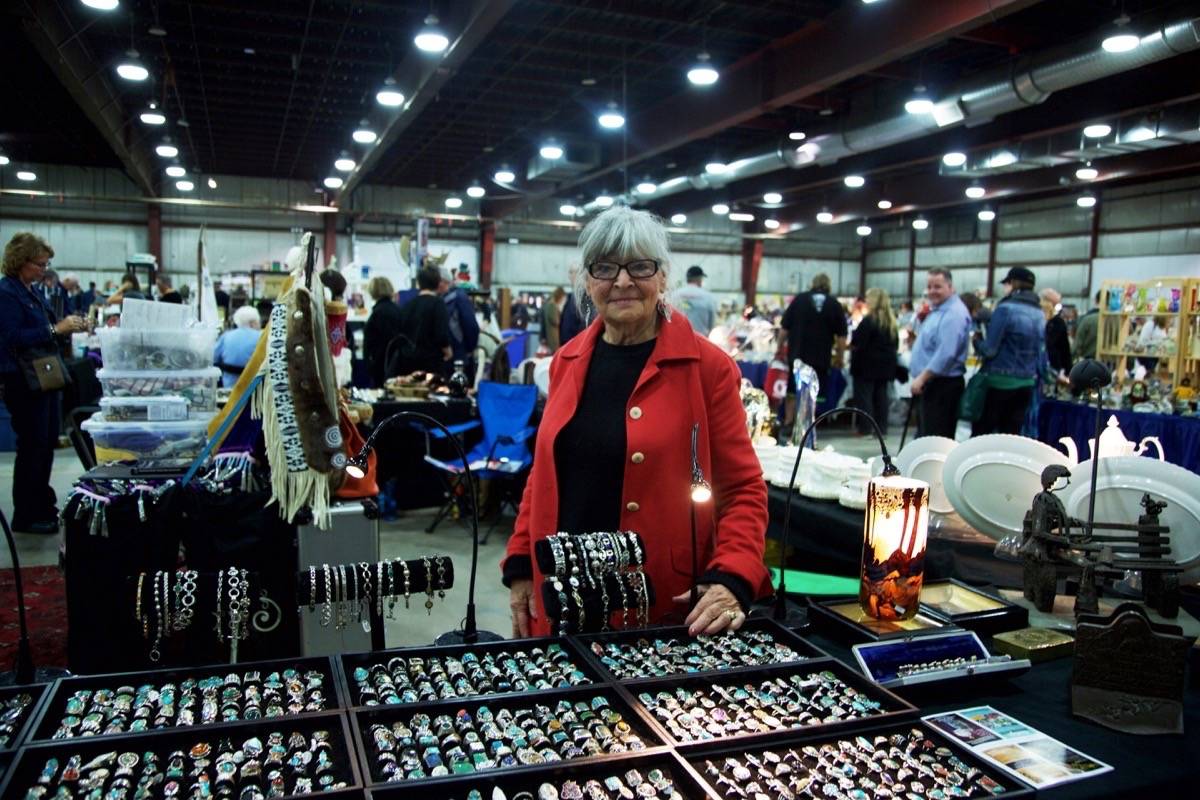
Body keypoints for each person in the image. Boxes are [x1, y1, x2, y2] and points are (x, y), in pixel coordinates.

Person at [503, 206, 769, 639]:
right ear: (588, 281)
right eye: (605, 268)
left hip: (662, 606)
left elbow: (742, 489)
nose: (622, 282)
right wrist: (519, 563)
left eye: (640, 267)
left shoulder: (709, 369)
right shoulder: (565, 362)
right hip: (561, 600)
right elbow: (544, 474)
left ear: (663, 277)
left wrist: (732, 575)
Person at [0, 233, 87, 533]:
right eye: (39, 264)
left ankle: (41, 504)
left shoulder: (30, 291)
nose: (43, 270)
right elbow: (12, 338)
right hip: (23, 381)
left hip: (42, 379)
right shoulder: (6, 294)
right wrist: (55, 328)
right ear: (20, 262)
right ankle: (25, 513)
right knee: (32, 447)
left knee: (46, 443)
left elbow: (47, 328)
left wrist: (70, 325)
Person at [972, 267, 1057, 436]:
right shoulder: (1039, 313)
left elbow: (990, 350)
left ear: (1012, 284)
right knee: (1011, 435)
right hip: (1026, 383)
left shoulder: (1005, 309)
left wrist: (976, 342)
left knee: (983, 435)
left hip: (1000, 381)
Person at [909, 268, 971, 438]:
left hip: (942, 387)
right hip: (932, 385)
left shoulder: (953, 314)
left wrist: (922, 378)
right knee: (925, 437)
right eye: (929, 287)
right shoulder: (938, 310)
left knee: (934, 441)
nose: (932, 291)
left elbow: (946, 353)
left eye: (938, 287)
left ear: (950, 287)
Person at [780, 273, 847, 425]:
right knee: (815, 392)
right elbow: (842, 336)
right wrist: (840, 357)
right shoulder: (834, 303)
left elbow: (784, 329)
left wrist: (779, 349)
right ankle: (808, 424)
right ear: (828, 285)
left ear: (813, 283)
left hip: (797, 355)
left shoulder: (799, 299)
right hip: (821, 357)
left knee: (792, 390)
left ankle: (789, 421)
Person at [849, 288, 899, 435]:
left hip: (866, 367)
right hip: (885, 368)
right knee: (881, 397)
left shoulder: (868, 321)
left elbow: (857, 343)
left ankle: (865, 428)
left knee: (864, 398)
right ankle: (881, 428)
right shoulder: (891, 323)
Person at [391, 266, 452, 377]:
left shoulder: (408, 305)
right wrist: (447, 350)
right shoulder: (438, 304)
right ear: (438, 282)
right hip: (431, 363)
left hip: (408, 362)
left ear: (419, 283)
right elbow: (441, 334)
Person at [364, 276, 403, 388]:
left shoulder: (377, 313)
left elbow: (374, 341)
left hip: (380, 364)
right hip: (397, 364)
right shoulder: (398, 310)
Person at [439, 268, 480, 373]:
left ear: (442, 282)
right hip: (455, 356)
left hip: (457, 356)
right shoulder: (457, 297)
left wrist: (468, 350)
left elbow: (471, 327)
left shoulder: (458, 297)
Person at [212, 305, 261, 387]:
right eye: (258, 322)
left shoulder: (226, 336)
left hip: (229, 390)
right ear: (252, 323)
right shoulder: (262, 338)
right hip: (255, 389)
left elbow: (213, 358)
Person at [673, 265, 718, 337]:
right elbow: (712, 324)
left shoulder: (675, 295)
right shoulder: (708, 297)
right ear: (700, 279)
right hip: (700, 340)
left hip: (678, 338)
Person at [1042, 288, 1071, 374]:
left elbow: (1064, 348)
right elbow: (1065, 350)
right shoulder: (1057, 322)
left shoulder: (1033, 319)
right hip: (1053, 368)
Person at [1073, 290, 1101, 363]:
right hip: (1113, 366)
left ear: (1095, 300)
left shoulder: (1086, 320)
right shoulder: (1120, 321)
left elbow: (1076, 346)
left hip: (1088, 363)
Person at [541, 286, 566, 352]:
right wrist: (560, 313)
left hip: (550, 336)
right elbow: (556, 321)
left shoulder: (549, 304)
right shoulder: (552, 305)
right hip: (553, 336)